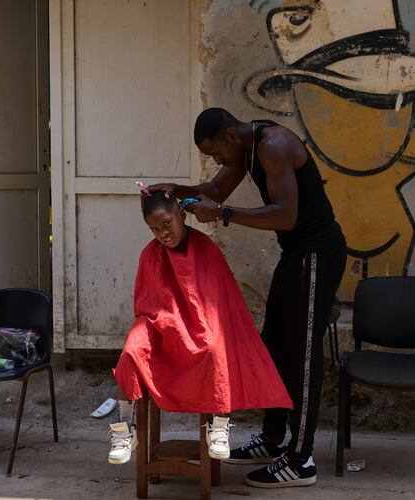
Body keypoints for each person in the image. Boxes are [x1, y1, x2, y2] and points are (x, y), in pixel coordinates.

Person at [148, 108, 347, 488]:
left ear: (230, 133)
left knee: (302, 355)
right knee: (272, 344)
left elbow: (285, 216)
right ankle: (272, 440)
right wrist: (178, 191)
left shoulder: (273, 145)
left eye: (215, 151)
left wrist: (222, 215)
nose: (216, 160)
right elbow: (217, 190)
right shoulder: (245, 148)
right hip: (296, 255)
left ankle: (301, 460)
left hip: (317, 254)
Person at [108, 190, 292, 466]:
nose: (163, 234)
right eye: (155, 229)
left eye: (167, 223)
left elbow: (217, 304)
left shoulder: (206, 249)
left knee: (216, 347)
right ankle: (125, 429)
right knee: (131, 351)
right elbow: (146, 305)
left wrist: (188, 327)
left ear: (181, 215)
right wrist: (168, 324)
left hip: (202, 323)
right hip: (161, 324)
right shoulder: (150, 254)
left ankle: (219, 424)